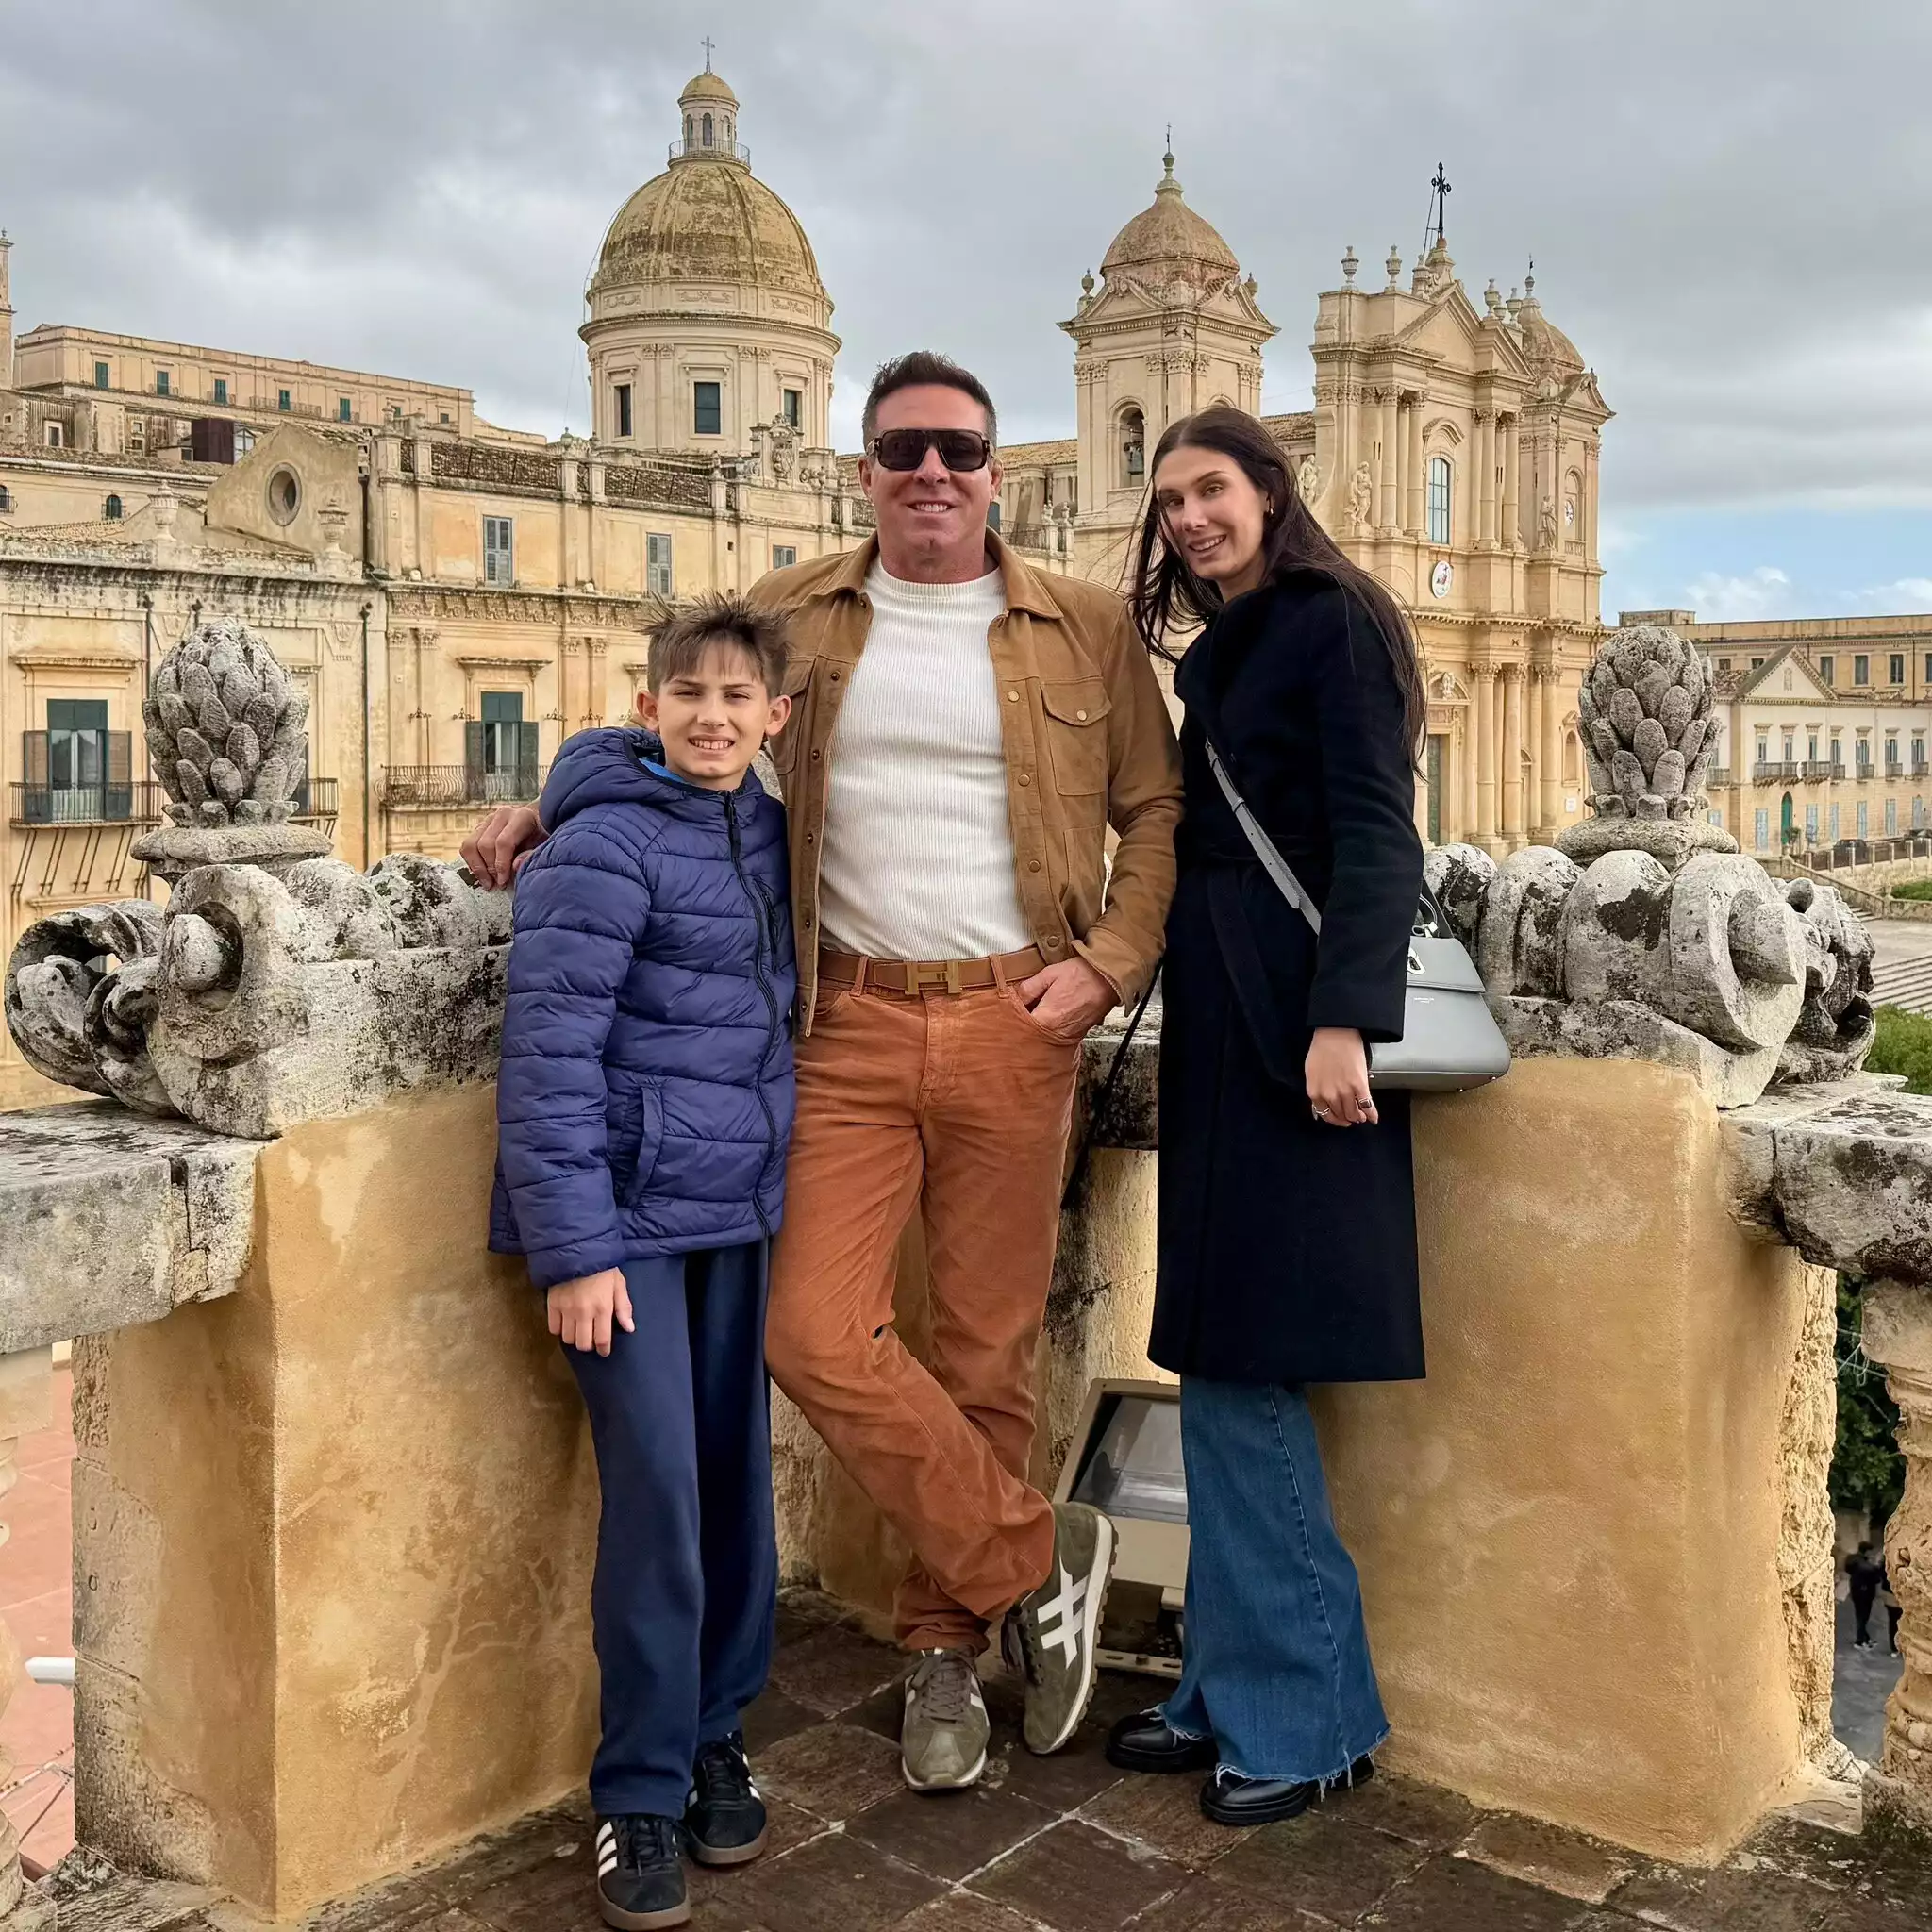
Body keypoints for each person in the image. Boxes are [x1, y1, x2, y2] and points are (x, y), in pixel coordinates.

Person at [466, 351, 1184, 1795]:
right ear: (867, 468)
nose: (933, 473)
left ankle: (945, 1649)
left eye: (959, 450)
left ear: (996, 472)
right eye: (904, 448)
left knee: (983, 1350)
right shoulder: (796, 609)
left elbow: (1155, 810)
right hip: (842, 1024)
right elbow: (681, 717)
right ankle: (1036, 1555)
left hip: (1016, 1019)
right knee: (812, 1330)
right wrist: (554, 803)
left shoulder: (1089, 626)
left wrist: (1107, 965)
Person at [1100, 407, 1427, 1828]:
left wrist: (1346, 1018)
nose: (1188, 517)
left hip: (1295, 1030)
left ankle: (1310, 1717)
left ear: (1270, 491)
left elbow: (1377, 830)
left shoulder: (1332, 620)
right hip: (1224, 1030)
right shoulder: (1230, 642)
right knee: (1212, 1351)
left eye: (1211, 489)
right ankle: (1227, 1686)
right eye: (1170, 498)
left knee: (1246, 1365)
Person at [490, 592, 797, 1931]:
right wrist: (575, 1250)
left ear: (775, 716)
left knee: (733, 1487)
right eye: (690, 694)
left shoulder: (772, 833)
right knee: (661, 1494)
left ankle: (716, 1730)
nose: (712, 718)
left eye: (737, 698)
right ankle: (637, 1789)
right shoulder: (601, 842)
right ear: (646, 706)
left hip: (736, 1211)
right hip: (623, 1232)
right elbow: (548, 1054)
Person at [1848, 1541, 1883, 1648]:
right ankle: (1859, 1641)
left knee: (1861, 1616)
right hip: (1865, 1593)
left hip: (1856, 1591)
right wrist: (1878, 1565)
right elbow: (1876, 1577)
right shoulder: (1865, 1564)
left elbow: (1848, 1570)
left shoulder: (1853, 1559)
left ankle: (1865, 1638)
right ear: (1866, 1551)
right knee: (1863, 1617)